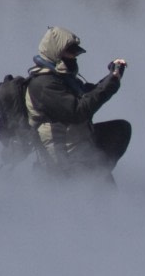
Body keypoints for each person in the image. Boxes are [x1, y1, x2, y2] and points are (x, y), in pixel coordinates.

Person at [25, 26, 131, 183]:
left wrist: (113, 76)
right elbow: (79, 110)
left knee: (120, 129)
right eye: (72, 52)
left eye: (77, 53)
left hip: (78, 147)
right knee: (99, 183)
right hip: (62, 159)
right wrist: (112, 82)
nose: (75, 57)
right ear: (57, 52)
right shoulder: (43, 84)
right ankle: (85, 184)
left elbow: (90, 94)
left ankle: (96, 179)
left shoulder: (63, 79)